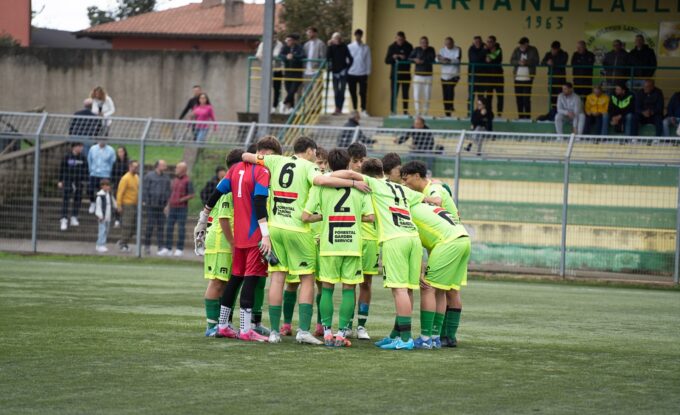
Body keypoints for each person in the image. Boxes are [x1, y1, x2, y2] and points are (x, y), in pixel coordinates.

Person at [240, 136, 369, 344]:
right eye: (314, 153)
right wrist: (354, 182)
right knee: (307, 278)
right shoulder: (309, 167)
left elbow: (245, 156)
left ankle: (274, 332)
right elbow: (323, 180)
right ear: (309, 151)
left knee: (278, 278)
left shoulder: (276, 160)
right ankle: (303, 332)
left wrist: (258, 157)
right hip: (299, 229)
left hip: (275, 228)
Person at [330, 159, 429, 350]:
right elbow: (432, 200)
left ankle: (406, 339)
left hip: (394, 240)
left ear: (366, 176)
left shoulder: (374, 183)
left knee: (399, 289)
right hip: (414, 239)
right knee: (407, 289)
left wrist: (327, 176)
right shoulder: (402, 189)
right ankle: (397, 334)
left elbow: (349, 174)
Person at [204, 137, 281, 343]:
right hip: (254, 235)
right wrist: (265, 233)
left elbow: (216, 193)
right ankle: (246, 329)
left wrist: (204, 216)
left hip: (238, 236)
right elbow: (258, 201)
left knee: (236, 278)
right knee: (251, 278)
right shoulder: (262, 171)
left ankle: (222, 326)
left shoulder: (235, 168)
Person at [302, 148, 374, 347]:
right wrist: (352, 218)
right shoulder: (361, 187)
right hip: (352, 243)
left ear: (330, 165)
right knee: (349, 289)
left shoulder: (320, 187)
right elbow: (371, 217)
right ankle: (342, 333)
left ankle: (326, 332)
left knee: (327, 288)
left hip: (329, 243)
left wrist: (326, 216)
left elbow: (306, 217)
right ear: (349, 163)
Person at [410, 201, 470, 349]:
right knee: (441, 290)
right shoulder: (425, 206)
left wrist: (420, 270)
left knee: (427, 288)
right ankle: (436, 338)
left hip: (448, 243)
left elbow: (415, 243)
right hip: (464, 239)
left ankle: (425, 339)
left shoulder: (408, 210)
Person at [201, 150, 239, 337]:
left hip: (226, 239)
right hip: (220, 239)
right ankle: (211, 326)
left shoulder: (234, 184)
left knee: (225, 283)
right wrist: (232, 243)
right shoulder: (228, 186)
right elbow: (224, 219)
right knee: (217, 282)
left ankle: (223, 324)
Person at [160, 161, 195, 257]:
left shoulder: (188, 181)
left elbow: (192, 194)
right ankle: (168, 248)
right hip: (172, 208)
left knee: (181, 229)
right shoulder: (174, 180)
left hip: (182, 208)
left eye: (177, 168)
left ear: (183, 170)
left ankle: (180, 249)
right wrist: (167, 205)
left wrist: (181, 199)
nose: (176, 169)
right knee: (169, 227)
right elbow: (171, 194)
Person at [143, 160, 171, 255]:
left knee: (161, 227)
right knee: (150, 226)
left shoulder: (166, 178)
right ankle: (147, 246)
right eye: (163, 164)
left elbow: (168, 192)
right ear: (157, 166)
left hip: (161, 206)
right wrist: (146, 201)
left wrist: (167, 205)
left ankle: (160, 247)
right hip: (151, 205)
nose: (165, 166)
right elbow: (145, 189)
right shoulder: (149, 176)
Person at [58, 142, 88, 231]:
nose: (81, 148)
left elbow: (86, 169)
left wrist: (84, 180)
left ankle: (74, 216)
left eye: (81, 146)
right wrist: (60, 180)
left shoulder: (83, 157)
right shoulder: (67, 157)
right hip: (68, 181)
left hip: (78, 182)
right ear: (74, 147)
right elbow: (62, 169)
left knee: (77, 200)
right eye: (79, 146)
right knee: (66, 200)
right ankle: (64, 219)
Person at [510, 37, 539, 119]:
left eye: (523, 44)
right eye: (520, 44)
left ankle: (527, 117)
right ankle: (520, 117)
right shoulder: (516, 50)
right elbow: (511, 60)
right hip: (517, 78)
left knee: (526, 99)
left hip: (528, 78)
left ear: (527, 44)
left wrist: (527, 62)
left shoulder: (533, 50)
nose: (521, 46)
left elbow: (536, 61)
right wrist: (518, 62)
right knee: (518, 99)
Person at [385, 31, 413, 115]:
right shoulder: (391, 47)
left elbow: (412, 59)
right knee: (394, 94)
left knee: (405, 94)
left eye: (401, 40)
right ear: (396, 38)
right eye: (398, 39)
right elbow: (386, 61)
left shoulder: (409, 46)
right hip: (394, 75)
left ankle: (405, 112)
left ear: (405, 39)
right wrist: (393, 57)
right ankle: (393, 111)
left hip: (406, 74)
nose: (400, 41)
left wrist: (404, 57)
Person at [540, 41, 569, 118]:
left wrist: (553, 63)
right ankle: (553, 114)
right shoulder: (548, 54)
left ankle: (561, 114)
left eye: (555, 49)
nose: (553, 51)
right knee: (552, 98)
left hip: (560, 80)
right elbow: (542, 63)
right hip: (551, 79)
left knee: (561, 97)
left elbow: (562, 63)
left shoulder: (564, 54)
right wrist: (547, 63)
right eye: (552, 49)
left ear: (559, 49)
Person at [327, 32, 353, 115]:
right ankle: (337, 108)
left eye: (338, 38)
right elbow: (327, 57)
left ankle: (339, 108)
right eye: (334, 38)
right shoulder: (331, 47)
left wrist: (347, 68)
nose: (336, 39)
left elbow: (351, 58)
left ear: (340, 39)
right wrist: (329, 46)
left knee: (342, 91)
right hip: (335, 72)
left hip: (343, 72)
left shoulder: (344, 46)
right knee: (336, 91)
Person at [115, 160, 139, 252]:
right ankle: (123, 243)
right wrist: (119, 205)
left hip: (135, 205)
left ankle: (123, 241)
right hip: (127, 204)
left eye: (137, 167)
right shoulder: (125, 178)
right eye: (134, 166)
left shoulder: (137, 177)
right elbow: (120, 192)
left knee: (134, 227)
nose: (135, 168)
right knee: (127, 225)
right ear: (130, 166)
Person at [87, 139, 116, 214]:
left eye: (104, 140)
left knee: (104, 192)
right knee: (90, 189)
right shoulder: (92, 149)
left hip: (105, 175)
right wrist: (91, 170)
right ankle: (92, 203)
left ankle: (103, 207)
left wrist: (109, 172)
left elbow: (112, 162)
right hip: (94, 173)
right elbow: (89, 160)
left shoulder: (111, 150)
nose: (102, 141)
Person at [256, 36, 284, 113]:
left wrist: (267, 57)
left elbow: (276, 54)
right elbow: (258, 54)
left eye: (275, 36)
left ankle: (275, 105)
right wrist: (265, 60)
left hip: (277, 69)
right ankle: (267, 107)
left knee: (276, 88)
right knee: (266, 87)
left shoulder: (279, 44)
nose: (274, 38)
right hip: (267, 69)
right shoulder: (263, 43)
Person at [409, 36, 436, 117]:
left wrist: (422, 61)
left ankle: (425, 113)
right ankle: (417, 112)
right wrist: (414, 60)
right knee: (416, 95)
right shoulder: (416, 49)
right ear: (420, 43)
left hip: (428, 76)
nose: (424, 44)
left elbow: (432, 58)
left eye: (426, 42)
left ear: (428, 43)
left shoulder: (431, 49)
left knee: (427, 95)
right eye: (422, 42)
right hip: (418, 75)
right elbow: (409, 58)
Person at [347, 29, 371, 117]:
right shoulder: (349, 47)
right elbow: (346, 59)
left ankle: (363, 109)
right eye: (357, 35)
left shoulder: (366, 47)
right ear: (355, 35)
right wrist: (347, 69)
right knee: (352, 92)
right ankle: (354, 109)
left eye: (360, 35)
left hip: (362, 73)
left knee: (363, 92)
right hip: (351, 72)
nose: (358, 37)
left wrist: (368, 71)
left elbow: (368, 60)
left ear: (361, 36)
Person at [279, 34, 305, 113]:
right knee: (289, 90)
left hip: (297, 73)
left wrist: (293, 56)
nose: (287, 42)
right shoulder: (285, 47)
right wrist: (286, 57)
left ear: (293, 41)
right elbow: (280, 55)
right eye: (286, 40)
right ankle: (292, 108)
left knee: (293, 90)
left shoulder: (299, 47)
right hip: (287, 72)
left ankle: (283, 103)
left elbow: (302, 56)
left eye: (289, 40)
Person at [437, 37, 462, 117]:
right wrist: (441, 60)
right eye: (446, 43)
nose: (448, 45)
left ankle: (450, 106)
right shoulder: (442, 50)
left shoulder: (457, 49)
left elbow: (457, 60)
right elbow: (437, 59)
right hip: (444, 76)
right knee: (445, 94)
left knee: (450, 90)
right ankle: (447, 112)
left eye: (449, 43)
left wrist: (448, 60)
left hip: (454, 75)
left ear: (453, 43)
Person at [484, 36, 504, 117]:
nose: (489, 43)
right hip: (489, 77)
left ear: (494, 42)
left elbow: (496, 59)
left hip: (498, 76)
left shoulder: (499, 50)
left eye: (491, 41)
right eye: (488, 41)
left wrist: (489, 58)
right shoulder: (485, 50)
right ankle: (489, 114)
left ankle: (499, 114)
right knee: (488, 97)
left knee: (500, 97)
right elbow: (484, 60)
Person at [94, 179, 116, 253]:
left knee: (106, 231)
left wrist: (116, 206)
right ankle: (101, 245)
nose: (108, 187)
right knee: (102, 231)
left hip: (108, 216)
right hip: (102, 217)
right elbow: (98, 206)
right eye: (106, 186)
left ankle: (99, 244)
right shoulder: (100, 196)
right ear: (102, 186)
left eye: (108, 185)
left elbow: (113, 202)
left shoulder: (109, 194)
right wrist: (100, 215)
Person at [111, 146, 128, 228]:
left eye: (122, 151)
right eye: (119, 152)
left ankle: (124, 220)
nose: (120, 153)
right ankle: (117, 220)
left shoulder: (128, 163)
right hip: (117, 186)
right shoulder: (115, 163)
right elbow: (113, 175)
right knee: (117, 204)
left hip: (126, 187)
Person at [468, 36, 488, 102]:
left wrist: (485, 50)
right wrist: (484, 50)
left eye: (479, 42)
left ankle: (480, 112)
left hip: (482, 76)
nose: (478, 43)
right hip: (472, 75)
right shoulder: (471, 49)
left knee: (481, 97)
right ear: (473, 42)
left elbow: (489, 58)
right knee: (471, 96)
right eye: (476, 42)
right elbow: (475, 59)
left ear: (481, 42)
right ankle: (469, 112)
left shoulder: (485, 48)